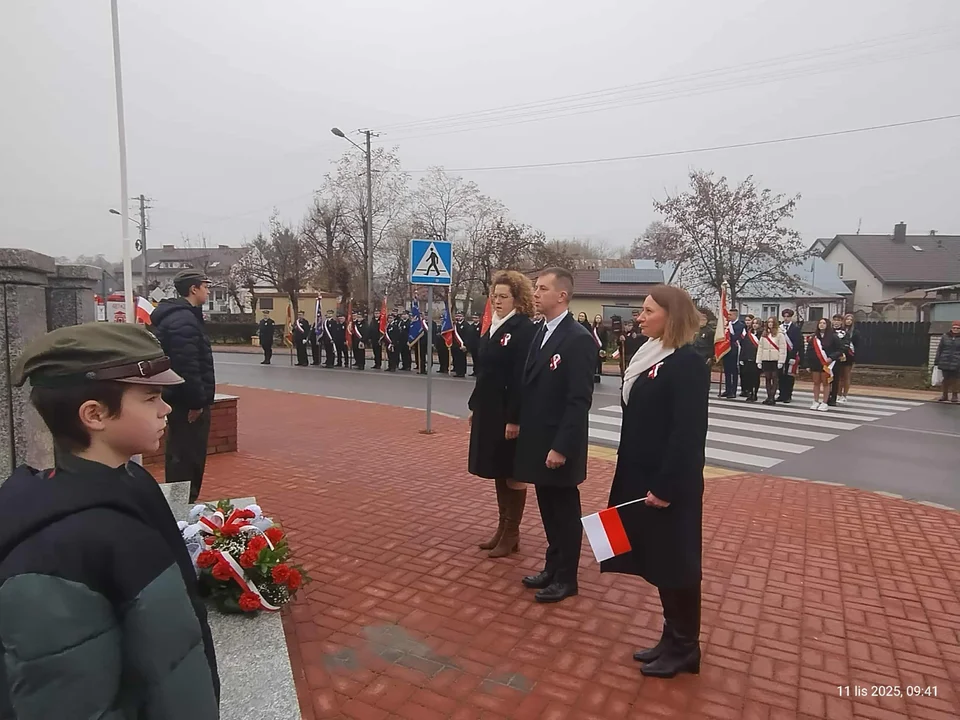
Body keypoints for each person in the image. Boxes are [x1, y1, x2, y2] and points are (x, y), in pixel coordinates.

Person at [0, 322, 220, 716]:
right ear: (95, 414)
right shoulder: (54, 552)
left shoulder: (131, 481)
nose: (166, 408)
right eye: (151, 397)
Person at [601, 284, 708, 679]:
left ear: (671, 316)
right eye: (641, 311)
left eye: (647, 311)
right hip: (640, 474)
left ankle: (686, 648)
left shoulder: (687, 363)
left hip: (668, 484)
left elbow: (688, 434)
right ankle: (671, 637)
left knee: (677, 564)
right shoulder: (650, 355)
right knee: (659, 560)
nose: (639, 317)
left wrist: (666, 487)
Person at [515, 268, 596, 604]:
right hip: (539, 440)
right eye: (536, 287)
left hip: (560, 445)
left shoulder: (577, 338)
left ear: (561, 296)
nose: (535, 293)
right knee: (548, 509)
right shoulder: (541, 331)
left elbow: (579, 400)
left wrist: (561, 447)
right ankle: (552, 567)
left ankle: (567, 578)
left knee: (564, 513)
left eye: (542, 288)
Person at [468, 271, 537, 558]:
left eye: (503, 297)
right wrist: (476, 406)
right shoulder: (494, 326)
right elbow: (485, 373)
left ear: (518, 300)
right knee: (498, 469)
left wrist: (515, 418)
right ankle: (502, 528)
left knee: (512, 472)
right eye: (494, 296)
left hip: (509, 413)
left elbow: (522, 378)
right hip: (490, 409)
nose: (496, 301)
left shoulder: (524, 329)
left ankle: (512, 533)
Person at [151, 269, 216, 503]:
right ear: (193, 289)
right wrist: (196, 402)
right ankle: (181, 510)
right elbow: (187, 366)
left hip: (181, 399)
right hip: (186, 403)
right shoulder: (183, 321)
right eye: (205, 287)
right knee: (187, 457)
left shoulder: (184, 317)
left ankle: (181, 505)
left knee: (184, 456)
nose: (208, 291)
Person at [804, 318, 843, 411]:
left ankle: (825, 402)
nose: (821, 325)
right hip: (815, 363)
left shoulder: (833, 337)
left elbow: (840, 350)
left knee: (826, 383)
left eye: (824, 323)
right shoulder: (814, 337)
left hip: (827, 363)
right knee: (816, 383)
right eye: (820, 323)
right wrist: (807, 364)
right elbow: (809, 351)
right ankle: (816, 401)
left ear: (827, 325)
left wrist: (831, 357)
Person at [757, 317, 787, 405]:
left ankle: (772, 397)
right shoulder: (764, 334)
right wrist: (759, 360)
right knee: (767, 378)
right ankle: (768, 396)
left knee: (774, 378)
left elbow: (782, 348)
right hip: (766, 359)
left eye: (772, 322)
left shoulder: (779, 334)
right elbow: (760, 348)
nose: (770, 324)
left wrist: (781, 361)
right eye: (769, 322)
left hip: (775, 359)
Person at [777, 308, 803, 403]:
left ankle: (788, 395)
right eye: (785, 316)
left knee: (789, 376)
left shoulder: (795, 329)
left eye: (788, 316)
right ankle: (781, 394)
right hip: (781, 355)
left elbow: (798, 343)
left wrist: (793, 356)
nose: (786, 318)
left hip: (791, 355)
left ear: (791, 317)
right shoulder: (779, 328)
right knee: (781, 375)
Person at [934, 320, 960, 403]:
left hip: (957, 362)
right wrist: (937, 360)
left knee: (955, 379)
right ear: (951, 328)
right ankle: (944, 395)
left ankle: (954, 396)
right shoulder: (945, 336)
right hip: (945, 361)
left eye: (957, 328)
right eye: (954, 327)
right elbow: (940, 349)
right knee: (945, 379)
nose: (955, 329)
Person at [836, 313, 860, 403]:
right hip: (840, 355)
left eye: (850, 319)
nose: (848, 321)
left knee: (846, 376)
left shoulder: (855, 332)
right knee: (839, 376)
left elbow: (857, 346)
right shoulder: (840, 331)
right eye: (847, 319)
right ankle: (838, 394)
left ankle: (844, 395)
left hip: (849, 356)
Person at [721, 309, 744, 399]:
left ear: (735, 316)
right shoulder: (726, 324)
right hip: (725, 350)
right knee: (727, 371)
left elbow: (735, 337)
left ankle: (733, 391)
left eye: (730, 315)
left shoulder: (740, 325)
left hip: (734, 350)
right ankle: (727, 389)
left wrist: (729, 329)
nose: (728, 316)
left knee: (733, 372)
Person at [739, 317, 761, 402]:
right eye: (754, 323)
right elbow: (743, 346)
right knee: (748, 377)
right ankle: (750, 392)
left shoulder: (762, 334)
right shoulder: (748, 334)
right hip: (747, 358)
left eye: (756, 323)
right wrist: (741, 357)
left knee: (755, 377)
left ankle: (755, 393)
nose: (755, 325)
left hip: (756, 359)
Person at [590, 314, 609, 383]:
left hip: (600, 347)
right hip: (593, 347)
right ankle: (593, 376)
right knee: (593, 362)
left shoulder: (603, 328)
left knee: (599, 362)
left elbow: (605, 339)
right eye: (596, 318)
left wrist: (604, 348)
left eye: (599, 318)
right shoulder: (592, 328)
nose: (598, 319)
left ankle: (598, 377)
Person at [452, 311, 469, 378]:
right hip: (455, 345)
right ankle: (457, 371)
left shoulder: (466, 325)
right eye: (457, 316)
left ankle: (462, 372)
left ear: (463, 317)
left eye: (460, 316)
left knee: (462, 359)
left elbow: (467, 336)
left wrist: (465, 345)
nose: (458, 317)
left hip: (462, 345)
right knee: (456, 359)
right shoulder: (455, 325)